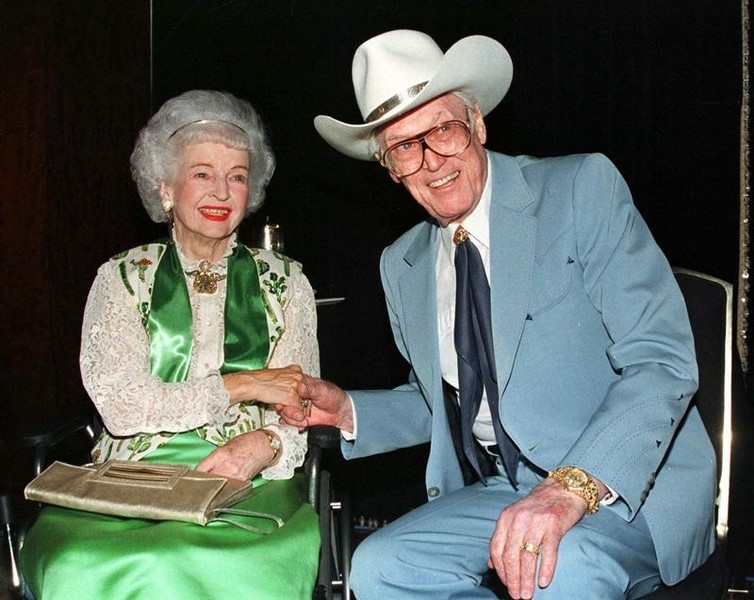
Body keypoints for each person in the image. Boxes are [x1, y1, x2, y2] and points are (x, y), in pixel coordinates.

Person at [281, 30, 717, 599]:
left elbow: (661, 361)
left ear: (478, 124)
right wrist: (348, 411)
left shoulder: (579, 189)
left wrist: (571, 487)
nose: (431, 162)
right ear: (390, 169)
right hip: (510, 487)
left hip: (628, 483)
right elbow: (442, 402)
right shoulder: (402, 263)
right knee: (382, 567)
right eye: (405, 148)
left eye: (443, 130)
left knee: (554, 571)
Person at [21, 90, 321, 599]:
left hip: (244, 477)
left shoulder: (287, 283)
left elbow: (300, 404)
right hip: (129, 478)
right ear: (165, 187)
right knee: (78, 561)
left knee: (197, 560)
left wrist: (268, 444)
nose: (221, 191)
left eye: (237, 176)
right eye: (202, 173)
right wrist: (243, 384)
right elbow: (122, 407)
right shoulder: (122, 277)